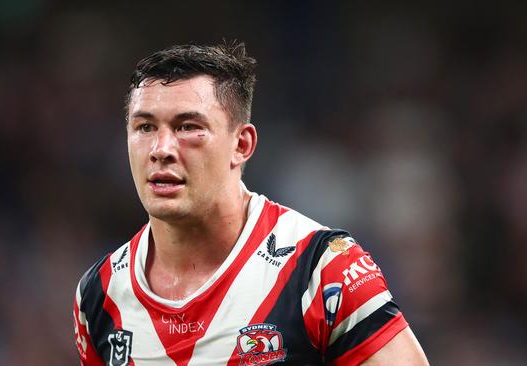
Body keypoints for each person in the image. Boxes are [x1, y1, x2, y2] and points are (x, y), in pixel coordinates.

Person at [73, 41, 429, 366]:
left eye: (188, 127)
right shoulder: (100, 294)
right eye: (145, 127)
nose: (161, 149)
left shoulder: (321, 268)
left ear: (241, 145)